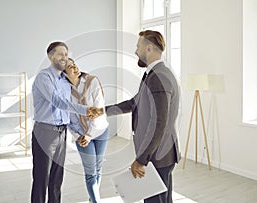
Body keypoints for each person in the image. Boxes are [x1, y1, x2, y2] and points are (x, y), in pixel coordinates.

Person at [105, 30, 181, 203]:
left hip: (158, 154)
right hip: (161, 153)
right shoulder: (154, 74)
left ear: (148, 48)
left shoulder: (159, 77)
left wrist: (141, 159)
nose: (135, 51)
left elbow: (159, 122)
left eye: (138, 47)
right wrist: (103, 111)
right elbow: (135, 103)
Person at [31, 41, 103, 203]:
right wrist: (86, 110)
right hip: (45, 131)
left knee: (57, 178)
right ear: (50, 57)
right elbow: (58, 102)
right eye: (60, 54)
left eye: (66, 54)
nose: (64, 57)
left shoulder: (65, 80)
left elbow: (77, 90)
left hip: (62, 132)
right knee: (42, 178)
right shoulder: (44, 77)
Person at [64, 58, 109, 203]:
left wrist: (90, 134)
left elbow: (99, 109)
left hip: (100, 130)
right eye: (70, 67)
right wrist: (78, 136)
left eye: (74, 64)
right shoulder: (65, 91)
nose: (75, 67)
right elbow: (69, 118)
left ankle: (92, 199)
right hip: (81, 136)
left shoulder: (92, 81)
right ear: (64, 74)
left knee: (98, 169)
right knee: (90, 172)